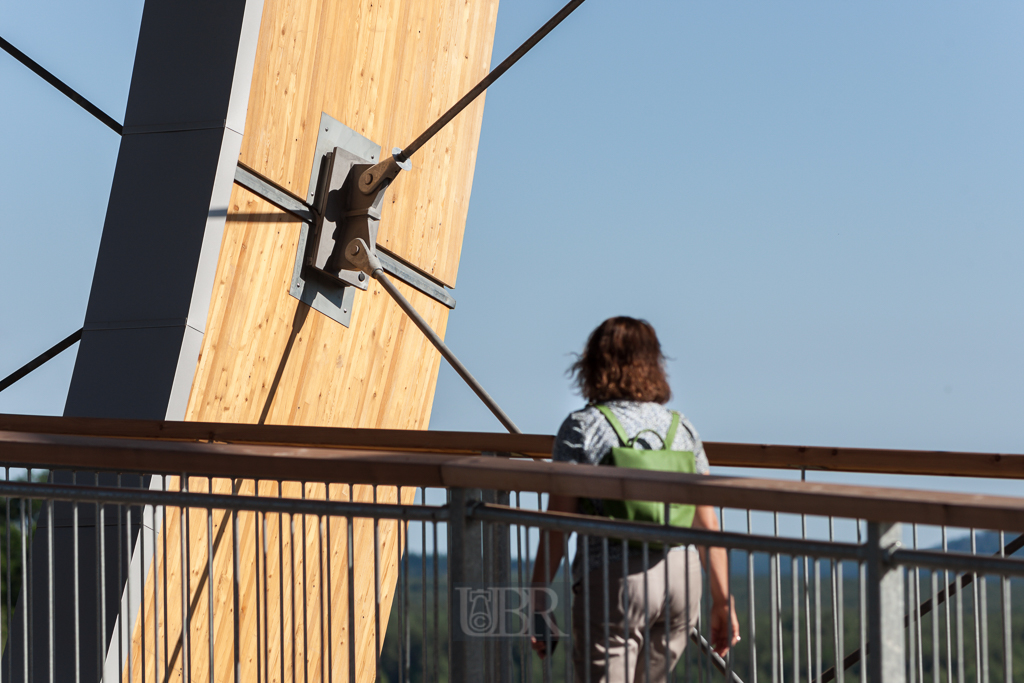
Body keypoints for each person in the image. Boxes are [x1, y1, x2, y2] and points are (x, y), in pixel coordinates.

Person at [529, 316, 739, 683]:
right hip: (681, 580)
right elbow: (707, 524)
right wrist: (723, 601)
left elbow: (557, 525)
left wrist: (537, 598)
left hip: (616, 580)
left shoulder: (583, 427)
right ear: (654, 366)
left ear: (593, 365)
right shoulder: (681, 428)